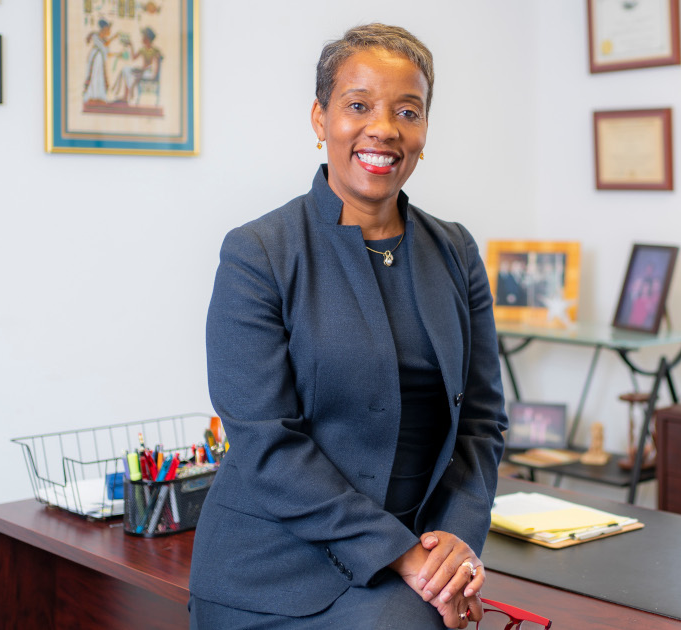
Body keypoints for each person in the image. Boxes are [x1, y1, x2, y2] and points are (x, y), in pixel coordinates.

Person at [189, 24, 508, 629]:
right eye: (358, 105)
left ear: (423, 132)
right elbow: (265, 442)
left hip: (416, 557)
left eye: (407, 111)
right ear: (319, 118)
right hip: (272, 572)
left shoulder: (456, 251)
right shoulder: (260, 253)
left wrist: (454, 548)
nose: (384, 129)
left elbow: (482, 421)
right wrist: (401, 554)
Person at [83, 19, 116, 104]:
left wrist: (118, 54)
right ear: (104, 29)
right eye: (107, 29)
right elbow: (102, 46)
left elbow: (107, 52)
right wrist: (113, 38)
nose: (108, 31)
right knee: (94, 76)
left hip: (100, 60)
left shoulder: (105, 40)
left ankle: (100, 96)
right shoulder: (96, 37)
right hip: (95, 59)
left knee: (100, 77)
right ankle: (91, 96)